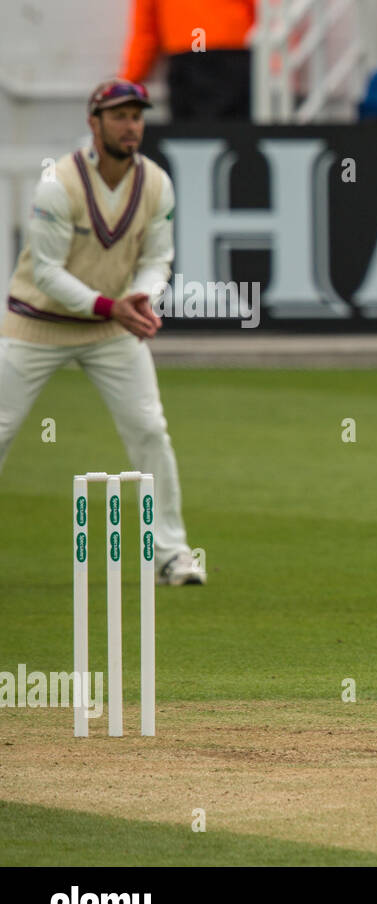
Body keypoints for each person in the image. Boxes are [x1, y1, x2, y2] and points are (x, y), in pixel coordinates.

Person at [0, 80, 205, 586]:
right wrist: (113, 306)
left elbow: (158, 257)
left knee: (150, 429)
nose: (130, 125)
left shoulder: (156, 183)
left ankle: (172, 554)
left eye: (136, 115)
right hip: (36, 324)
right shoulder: (57, 183)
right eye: (118, 115)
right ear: (94, 123)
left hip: (110, 329)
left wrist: (141, 297)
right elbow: (46, 272)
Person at [120, 0, 255, 121]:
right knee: (233, 133)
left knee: (188, 135)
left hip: (189, 56)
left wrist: (127, 81)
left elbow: (146, 31)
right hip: (230, 54)